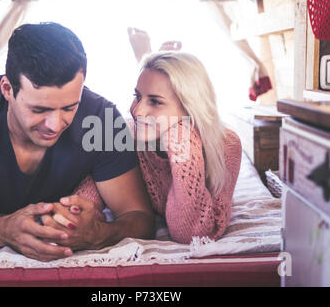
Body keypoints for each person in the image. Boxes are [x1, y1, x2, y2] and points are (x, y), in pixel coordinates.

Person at [0, 22, 155, 262]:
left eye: (70, 107)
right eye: (39, 109)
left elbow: (140, 217)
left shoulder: (103, 119)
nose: (54, 125)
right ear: (7, 89)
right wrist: (1, 230)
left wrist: (99, 234)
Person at [51, 51, 243, 244]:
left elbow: (193, 234)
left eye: (156, 101)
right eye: (137, 96)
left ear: (190, 107)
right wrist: (77, 217)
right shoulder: (124, 135)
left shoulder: (226, 145)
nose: (137, 110)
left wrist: (183, 140)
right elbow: (85, 201)